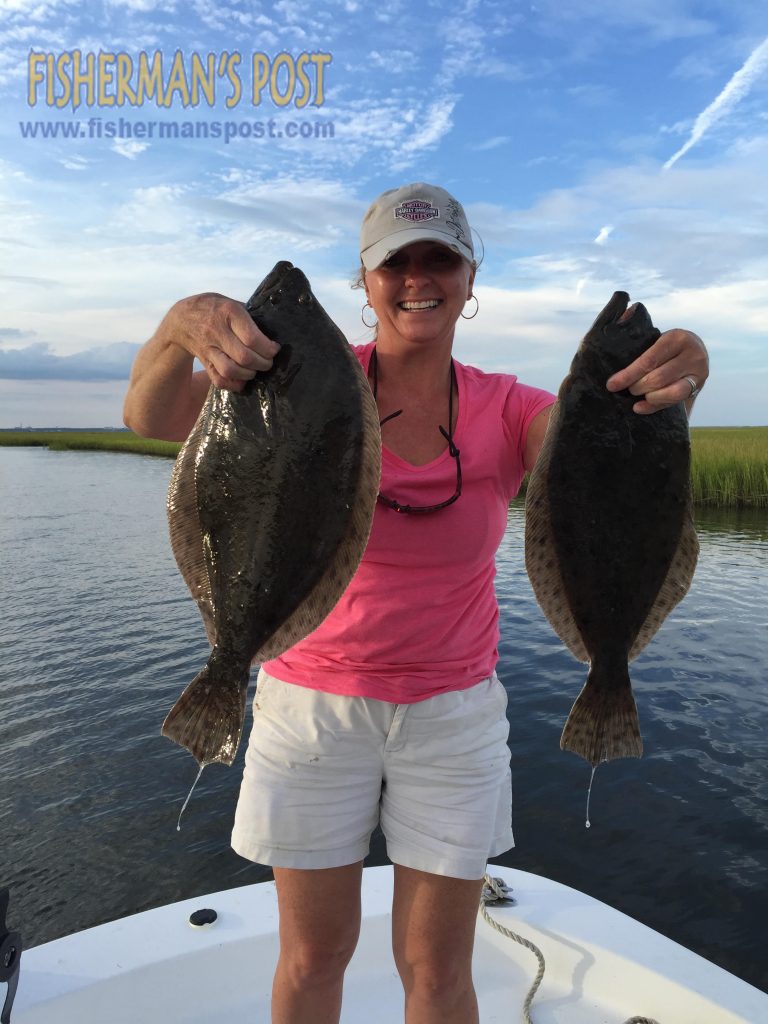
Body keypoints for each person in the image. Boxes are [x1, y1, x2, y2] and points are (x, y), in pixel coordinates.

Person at [123, 182, 709, 1024]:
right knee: (313, 956)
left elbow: (594, 460)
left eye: (440, 259)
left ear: (471, 278)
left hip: (453, 716)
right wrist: (178, 325)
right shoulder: (296, 387)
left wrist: (674, 389)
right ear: (364, 282)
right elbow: (149, 417)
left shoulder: (511, 408)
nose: (417, 278)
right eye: (396, 262)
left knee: (437, 972)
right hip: (311, 705)